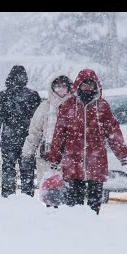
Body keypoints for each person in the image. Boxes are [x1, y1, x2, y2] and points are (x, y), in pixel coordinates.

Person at [49, 69, 127, 215]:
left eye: (91, 85)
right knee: (74, 203)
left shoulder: (103, 106)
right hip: (74, 161)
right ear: (78, 85)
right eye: (85, 85)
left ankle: (93, 226)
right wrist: (55, 157)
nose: (88, 88)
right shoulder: (68, 106)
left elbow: (113, 131)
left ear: (96, 86)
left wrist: (121, 153)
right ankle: (75, 227)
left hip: (96, 162)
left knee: (94, 203)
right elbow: (59, 134)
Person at [21, 74, 73, 207]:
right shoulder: (44, 107)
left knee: (66, 193)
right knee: (49, 192)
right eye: (57, 86)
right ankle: (50, 218)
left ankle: (65, 218)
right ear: (52, 88)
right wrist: (27, 153)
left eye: (64, 86)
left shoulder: (75, 107)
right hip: (46, 156)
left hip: (68, 157)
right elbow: (35, 132)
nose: (61, 89)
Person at [0, 65, 41, 198]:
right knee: (27, 168)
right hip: (27, 137)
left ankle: (8, 195)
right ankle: (27, 196)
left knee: (8, 167)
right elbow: (38, 119)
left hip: (9, 137)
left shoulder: (4, 95)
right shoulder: (33, 95)